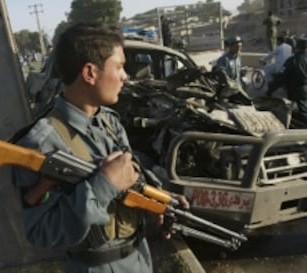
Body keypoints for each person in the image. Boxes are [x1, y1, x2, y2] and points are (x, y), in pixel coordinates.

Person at [13, 23, 187, 273]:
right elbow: (41, 232)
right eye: (119, 66)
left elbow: (129, 185)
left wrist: (157, 202)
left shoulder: (110, 122)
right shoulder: (40, 143)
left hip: (139, 259)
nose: (126, 75)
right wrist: (103, 184)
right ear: (90, 73)